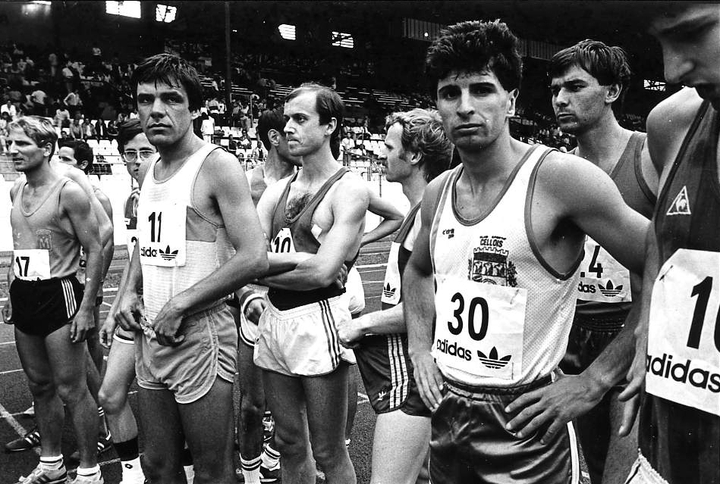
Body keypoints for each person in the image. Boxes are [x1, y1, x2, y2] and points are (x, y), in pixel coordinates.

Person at [404, 20, 648, 483]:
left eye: (482, 90)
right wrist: (419, 347)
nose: (466, 107)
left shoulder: (560, 179)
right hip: (450, 414)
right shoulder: (438, 191)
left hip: (526, 422)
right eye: (449, 94)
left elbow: (663, 265)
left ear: (511, 100)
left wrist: (597, 380)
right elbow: (417, 271)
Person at [501, 40, 660, 484]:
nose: (559, 100)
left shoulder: (649, 157)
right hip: (573, 336)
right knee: (591, 464)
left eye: (574, 87)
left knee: (622, 473)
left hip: (633, 332)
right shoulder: (558, 173)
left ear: (611, 92)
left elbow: (665, 265)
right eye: (555, 90)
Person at [113, 53, 268, 484]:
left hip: (200, 332)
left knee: (213, 470)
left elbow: (253, 255)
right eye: (145, 100)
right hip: (153, 330)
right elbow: (147, 243)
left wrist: (182, 303)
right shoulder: (150, 169)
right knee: (157, 465)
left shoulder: (217, 165)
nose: (156, 110)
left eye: (171, 99)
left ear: (193, 107)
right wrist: (129, 292)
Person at [619, 4, 720, 483]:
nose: (671, 68)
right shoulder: (673, 124)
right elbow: (666, 234)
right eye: (660, 41)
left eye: (696, 32)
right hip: (674, 443)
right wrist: (646, 327)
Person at [254, 83, 367, 484]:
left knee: (328, 451)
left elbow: (321, 274)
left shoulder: (348, 187)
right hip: (275, 317)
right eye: (287, 118)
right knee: (288, 441)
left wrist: (258, 270)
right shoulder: (278, 190)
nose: (288, 127)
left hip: (320, 319)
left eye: (300, 119)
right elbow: (245, 257)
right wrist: (297, 263)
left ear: (330, 126)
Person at [337, 108, 452, 484]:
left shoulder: (430, 216)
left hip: (412, 369)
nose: (381, 154)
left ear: (414, 155)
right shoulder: (417, 211)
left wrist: (363, 324)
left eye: (389, 147)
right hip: (408, 363)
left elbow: (430, 306)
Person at [3, 116, 104, 484]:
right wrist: (10, 289)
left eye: (22, 145)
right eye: (10, 143)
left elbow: (94, 247)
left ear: (45, 149)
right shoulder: (16, 190)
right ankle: (51, 464)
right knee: (39, 386)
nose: (12, 150)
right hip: (25, 293)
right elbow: (21, 245)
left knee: (72, 388)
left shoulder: (68, 192)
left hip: (59, 293)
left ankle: (90, 470)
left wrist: (86, 306)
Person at [96, 118, 156, 484]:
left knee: (172, 408)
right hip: (133, 311)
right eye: (129, 154)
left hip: (168, 310)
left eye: (145, 152)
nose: (136, 161)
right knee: (110, 393)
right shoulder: (132, 199)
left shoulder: (177, 192)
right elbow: (136, 257)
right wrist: (115, 309)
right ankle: (132, 474)